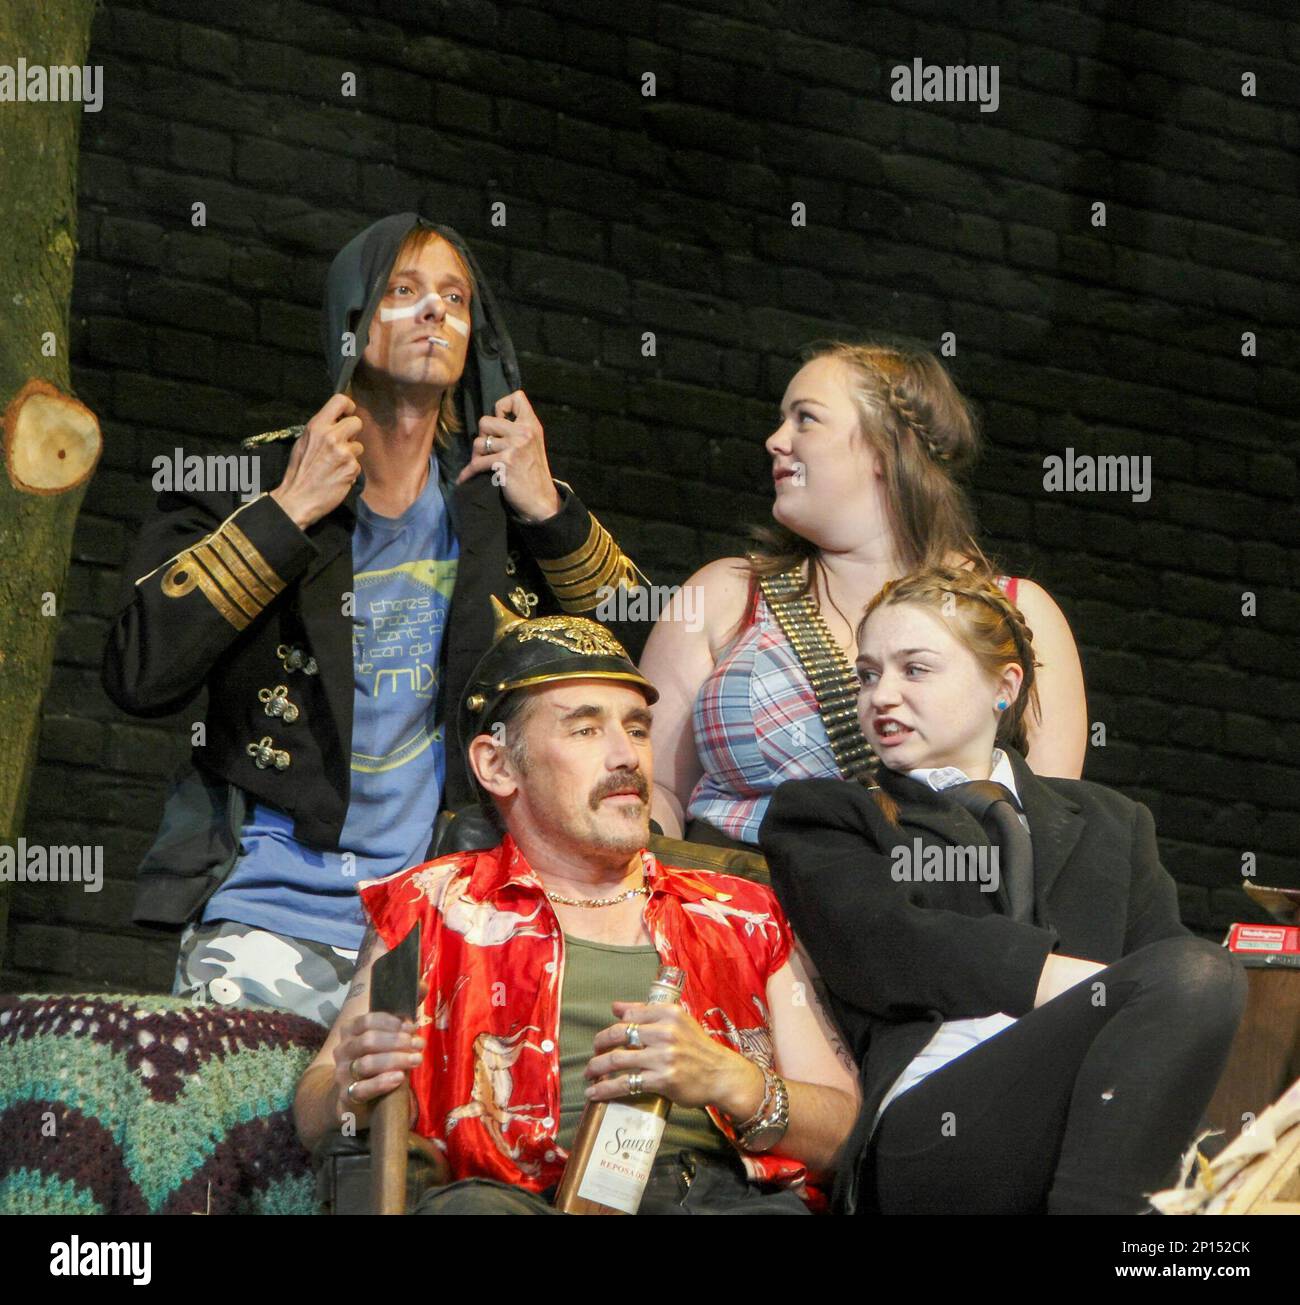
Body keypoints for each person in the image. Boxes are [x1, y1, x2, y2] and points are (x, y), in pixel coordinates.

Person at [102, 212, 648, 1025]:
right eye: (405, 290)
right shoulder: (253, 478)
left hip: (442, 920)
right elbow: (139, 671)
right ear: (352, 321)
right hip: (266, 914)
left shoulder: (496, 501)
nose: (434, 311)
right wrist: (288, 513)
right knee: (248, 1143)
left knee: (420, 1155)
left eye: (455, 296)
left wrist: (550, 510)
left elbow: (639, 645)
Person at [293, 603, 860, 1213]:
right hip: (507, 1199)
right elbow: (316, 1107)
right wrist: (352, 1087)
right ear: (499, 764)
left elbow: (845, 1132)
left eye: (638, 729)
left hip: (712, 1197)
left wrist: (735, 1081)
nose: (628, 757)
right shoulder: (429, 904)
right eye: (586, 729)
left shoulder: (745, 911)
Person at [758, 565, 1246, 1215]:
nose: (882, 694)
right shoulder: (829, 814)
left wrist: (1138, 990)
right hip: (933, 1132)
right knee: (1192, 974)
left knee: (1207, 976)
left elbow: (1173, 983)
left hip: (1095, 1122)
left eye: (915, 669)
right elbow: (891, 947)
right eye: (868, 674)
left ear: (1003, 686)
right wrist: (1103, 986)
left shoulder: (1111, 822)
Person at [640, 340, 1088, 848]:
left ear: (885, 444)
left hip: (929, 912)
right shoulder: (725, 593)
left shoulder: (1017, 611)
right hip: (730, 906)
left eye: (805, 419)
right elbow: (655, 786)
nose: (775, 440)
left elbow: (1051, 824)